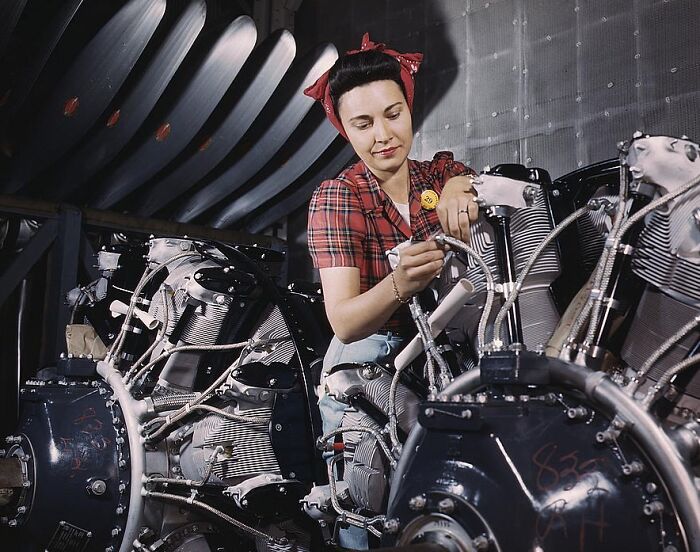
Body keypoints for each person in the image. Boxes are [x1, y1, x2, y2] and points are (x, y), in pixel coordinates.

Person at [303, 34, 478, 547]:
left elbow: (468, 184)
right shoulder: (339, 196)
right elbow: (345, 321)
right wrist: (399, 285)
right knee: (372, 518)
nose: (384, 135)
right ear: (344, 130)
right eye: (363, 124)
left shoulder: (439, 173)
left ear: (408, 107)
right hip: (368, 369)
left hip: (443, 359)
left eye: (393, 114)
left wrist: (459, 187)